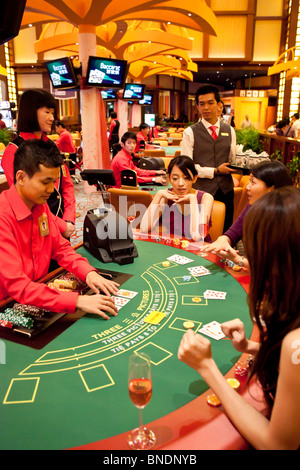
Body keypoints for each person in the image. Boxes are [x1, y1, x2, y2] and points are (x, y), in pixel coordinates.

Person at [178, 186, 300, 450]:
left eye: (255, 249)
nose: (248, 259)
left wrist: (207, 369)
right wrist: (250, 347)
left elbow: (277, 444)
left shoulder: (295, 342)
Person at [0, 139, 119, 319]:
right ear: (21, 177)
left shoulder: (40, 206)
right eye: (45, 182)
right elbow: (18, 286)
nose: (51, 190)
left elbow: (61, 248)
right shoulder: (2, 216)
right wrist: (77, 301)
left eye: (54, 182)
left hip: (36, 295)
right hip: (6, 305)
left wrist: (88, 273)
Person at [1, 89, 76, 239]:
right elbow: (23, 200)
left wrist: (68, 219)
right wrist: (60, 225)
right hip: (35, 229)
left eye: (52, 113)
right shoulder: (13, 151)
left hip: (62, 224)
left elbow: (66, 184)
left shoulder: (52, 145)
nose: (52, 118)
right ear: (31, 112)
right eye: (47, 112)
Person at [200, 160, 292, 269]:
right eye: (249, 180)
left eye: (253, 182)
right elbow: (232, 233)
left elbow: (273, 268)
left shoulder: (287, 219)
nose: (247, 187)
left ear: (271, 189)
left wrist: (238, 260)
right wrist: (223, 239)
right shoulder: (253, 206)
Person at [181, 84, 236, 232]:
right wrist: (215, 171)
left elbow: (233, 159)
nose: (206, 108)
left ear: (219, 105)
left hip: (226, 190)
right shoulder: (190, 132)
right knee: (199, 232)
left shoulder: (230, 130)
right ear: (197, 107)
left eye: (210, 103)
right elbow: (187, 167)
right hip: (201, 191)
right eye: (202, 104)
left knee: (226, 230)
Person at [140, 155, 214, 242]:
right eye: (175, 178)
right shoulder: (167, 196)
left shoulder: (206, 198)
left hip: (199, 250)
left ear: (194, 178)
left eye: (186, 178)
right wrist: (159, 195)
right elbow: (144, 228)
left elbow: (196, 236)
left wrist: (192, 199)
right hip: (173, 248)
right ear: (169, 178)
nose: (180, 183)